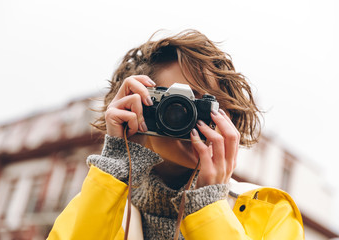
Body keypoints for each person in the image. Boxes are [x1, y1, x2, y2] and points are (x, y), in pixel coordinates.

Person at [48, 30, 304, 240]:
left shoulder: (271, 213)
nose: (187, 116)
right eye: (176, 103)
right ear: (136, 105)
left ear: (228, 118)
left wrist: (209, 206)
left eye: (204, 106)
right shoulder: (93, 203)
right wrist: (117, 162)